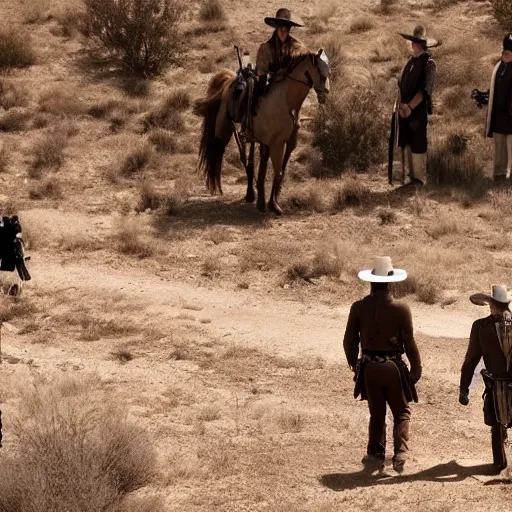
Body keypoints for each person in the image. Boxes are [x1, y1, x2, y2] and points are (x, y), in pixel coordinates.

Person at [343, 256, 422, 474]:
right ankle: (400, 453)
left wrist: (355, 366)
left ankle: (376, 454)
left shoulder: (358, 307)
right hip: (392, 366)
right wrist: (416, 370)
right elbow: (409, 342)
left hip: (369, 367)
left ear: (371, 282)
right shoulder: (401, 309)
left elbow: (349, 341)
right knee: (402, 411)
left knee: (376, 413)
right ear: (390, 282)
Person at [459, 285, 512, 471]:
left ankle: (499, 462)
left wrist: (464, 388)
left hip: (496, 384)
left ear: (490, 303)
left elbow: (471, 360)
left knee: (496, 424)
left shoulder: (481, 327)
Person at [396, 26, 439, 186]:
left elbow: (425, 90)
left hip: (417, 110)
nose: (412, 44)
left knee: (418, 142)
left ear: (419, 44)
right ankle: (410, 177)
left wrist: (409, 107)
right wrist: (401, 106)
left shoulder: (429, 63)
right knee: (407, 140)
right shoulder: (411, 62)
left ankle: (419, 179)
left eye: (413, 42)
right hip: (404, 110)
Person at [252, 8, 307, 115]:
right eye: (280, 28)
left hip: (288, 88)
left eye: (286, 28)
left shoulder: (296, 47)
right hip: (270, 88)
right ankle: (252, 117)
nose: (283, 31)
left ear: (289, 30)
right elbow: (260, 72)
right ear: (276, 28)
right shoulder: (266, 48)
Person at [484, 34, 512, 182]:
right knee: (500, 147)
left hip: (511, 117)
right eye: (505, 51)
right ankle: (499, 175)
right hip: (500, 117)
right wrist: (484, 97)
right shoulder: (499, 67)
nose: (506, 53)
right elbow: (494, 90)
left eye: (509, 51)